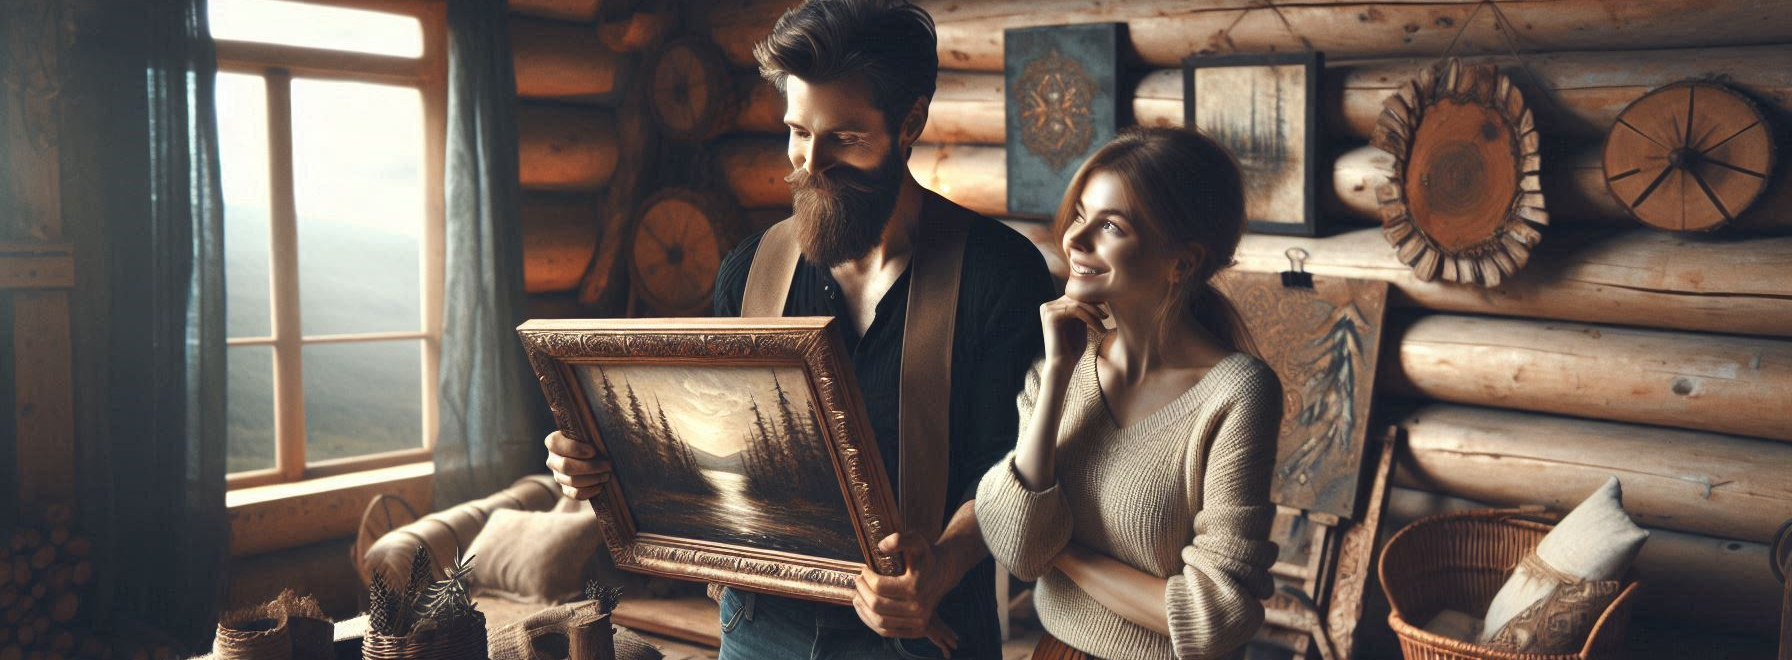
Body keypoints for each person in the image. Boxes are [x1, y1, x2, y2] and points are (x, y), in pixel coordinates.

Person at [543, 1, 1055, 658]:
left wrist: (946, 561)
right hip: (755, 631)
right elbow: (708, 439)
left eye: (844, 138)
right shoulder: (747, 268)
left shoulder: (999, 273)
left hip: (920, 637)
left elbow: (1009, 467)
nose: (810, 164)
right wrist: (603, 460)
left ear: (910, 123)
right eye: (796, 132)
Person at [973, 127, 1282, 660]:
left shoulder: (1237, 395)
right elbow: (1015, 546)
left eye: (1110, 225)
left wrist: (1061, 549)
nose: (1075, 239)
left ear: (1181, 262)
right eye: (1080, 215)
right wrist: (1058, 377)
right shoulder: (1063, 357)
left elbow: (1215, 618)